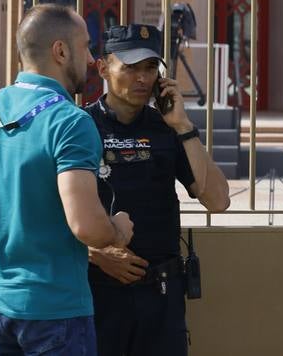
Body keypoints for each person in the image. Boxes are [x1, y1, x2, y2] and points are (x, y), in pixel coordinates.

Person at [0, 4, 134, 356]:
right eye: (86, 46)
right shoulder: (70, 122)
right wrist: (117, 230)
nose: (93, 59)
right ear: (60, 51)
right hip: (55, 313)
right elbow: (87, 227)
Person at [87, 23, 232, 356]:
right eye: (131, 68)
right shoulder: (80, 126)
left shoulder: (168, 129)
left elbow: (218, 200)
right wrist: (96, 254)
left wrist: (183, 126)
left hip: (161, 295)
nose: (142, 78)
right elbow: (52, 213)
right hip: (98, 290)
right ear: (104, 68)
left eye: (150, 68)